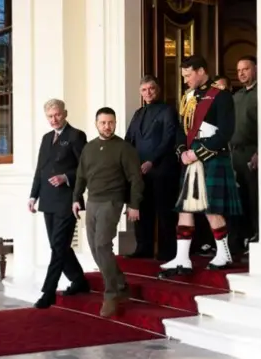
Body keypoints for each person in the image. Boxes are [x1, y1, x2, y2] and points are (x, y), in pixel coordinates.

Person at [159, 55, 243, 277]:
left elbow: (225, 132)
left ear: (201, 71)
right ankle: (182, 258)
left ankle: (223, 254)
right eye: (183, 75)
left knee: (212, 209)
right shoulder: (188, 97)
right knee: (185, 207)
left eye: (188, 75)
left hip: (211, 156)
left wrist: (197, 153)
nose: (185, 80)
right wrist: (182, 151)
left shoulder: (221, 97)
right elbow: (181, 129)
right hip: (190, 157)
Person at [72, 107, 144, 318]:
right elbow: (80, 176)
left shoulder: (124, 148)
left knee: (103, 245)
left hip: (112, 201)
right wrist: (76, 198)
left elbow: (135, 179)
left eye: (111, 122)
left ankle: (111, 294)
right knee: (95, 248)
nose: (107, 126)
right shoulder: (89, 148)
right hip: (92, 201)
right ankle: (120, 284)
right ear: (96, 124)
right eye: (103, 122)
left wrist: (134, 204)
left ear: (115, 123)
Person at [28, 99, 90, 309]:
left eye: (57, 115)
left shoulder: (76, 135)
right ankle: (79, 280)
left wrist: (66, 177)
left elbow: (86, 168)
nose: (54, 120)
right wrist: (33, 196)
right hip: (47, 200)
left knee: (58, 248)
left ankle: (48, 292)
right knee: (58, 245)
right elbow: (40, 169)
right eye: (50, 116)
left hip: (67, 199)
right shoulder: (46, 138)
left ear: (65, 113)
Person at [125, 75, 180, 260]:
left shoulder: (168, 110)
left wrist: (152, 161)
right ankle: (143, 248)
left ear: (158, 90)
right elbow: (129, 140)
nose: (148, 92)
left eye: (151, 88)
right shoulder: (138, 113)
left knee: (164, 212)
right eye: (144, 90)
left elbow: (169, 139)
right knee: (142, 209)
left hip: (162, 169)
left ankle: (168, 252)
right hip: (140, 171)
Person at [231, 55, 259, 254]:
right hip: (235, 154)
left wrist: (259, 152)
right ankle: (241, 239)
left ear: (255, 69)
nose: (241, 73)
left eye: (246, 69)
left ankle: (258, 237)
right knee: (238, 199)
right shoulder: (236, 97)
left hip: (253, 153)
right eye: (239, 70)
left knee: (254, 198)